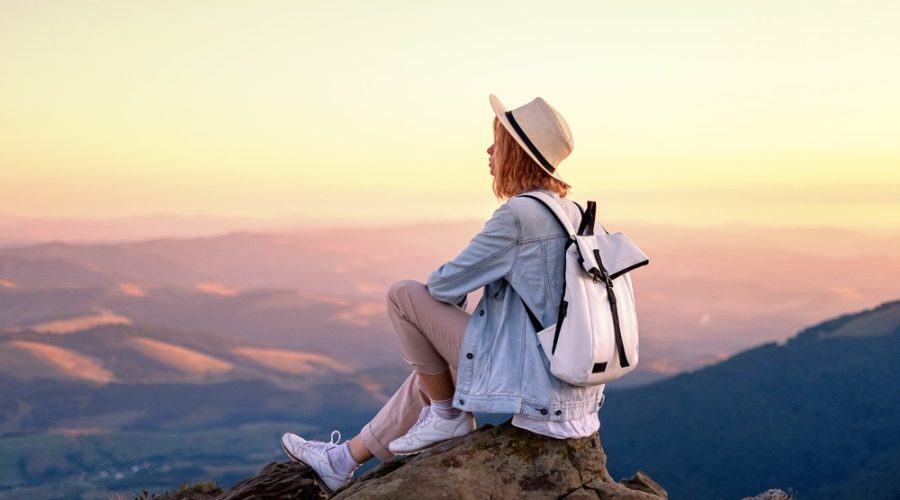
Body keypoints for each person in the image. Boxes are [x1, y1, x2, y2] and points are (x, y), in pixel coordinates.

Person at [280, 94, 606, 494]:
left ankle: (446, 415)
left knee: (403, 296)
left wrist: (443, 315)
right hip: (570, 386)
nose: (488, 150)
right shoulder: (571, 212)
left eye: (497, 142)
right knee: (440, 370)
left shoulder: (520, 215)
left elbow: (441, 286)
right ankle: (342, 460)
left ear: (515, 153)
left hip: (536, 385)